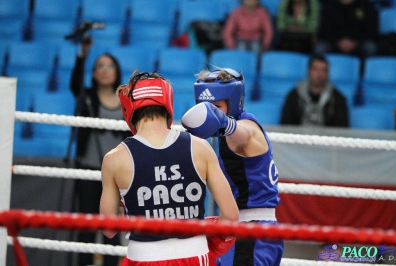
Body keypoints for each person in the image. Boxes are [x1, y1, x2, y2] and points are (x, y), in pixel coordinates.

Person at [100, 71, 239, 265]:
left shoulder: (114, 159)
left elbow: (108, 229)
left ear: (128, 108)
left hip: (142, 258)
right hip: (195, 257)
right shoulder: (200, 147)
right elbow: (231, 216)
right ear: (167, 104)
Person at [181, 68, 284, 266]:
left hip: (252, 232)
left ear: (235, 101)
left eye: (217, 106)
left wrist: (222, 122)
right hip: (250, 229)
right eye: (206, 107)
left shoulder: (246, 128)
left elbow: (244, 134)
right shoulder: (227, 134)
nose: (211, 112)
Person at [69, 39, 130, 266]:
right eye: (100, 67)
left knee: (111, 228)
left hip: (117, 172)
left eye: (110, 66)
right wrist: (82, 55)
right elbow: (75, 84)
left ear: (117, 71)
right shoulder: (86, 97)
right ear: (93, 73)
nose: (105, 71)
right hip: (89, 168)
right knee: (87, 224)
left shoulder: (126, 98)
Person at [280, 54, 349, 127]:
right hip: (299, 137)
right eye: (315, 69)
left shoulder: (338, 98)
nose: (319, 74)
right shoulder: (294, 95)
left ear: (328, 73)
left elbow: (342, 128)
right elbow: (286, 124)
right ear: (308, 71)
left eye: (323, 70)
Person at [314, 0, 378, 59]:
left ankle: (363, 70)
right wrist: (337, 42)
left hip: (358, 43)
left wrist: (355, 42)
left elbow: (371, 30)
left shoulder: (365, 5)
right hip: (334, 42)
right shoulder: (329, 5)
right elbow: (324, 30)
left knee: (370, 47)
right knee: (320, 48)